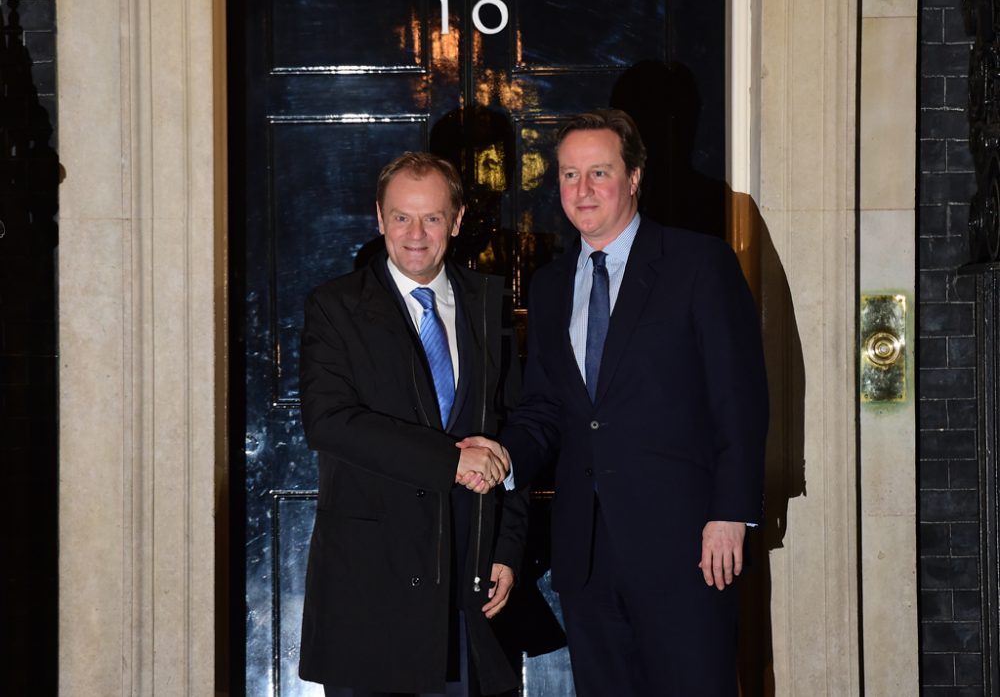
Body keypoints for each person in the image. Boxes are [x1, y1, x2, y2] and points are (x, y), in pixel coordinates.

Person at [466, 109, 768, 696]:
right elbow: (548, 409)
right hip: (587, 555)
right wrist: (503, 456)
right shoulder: (551, 286)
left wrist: (730, 513)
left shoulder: (698, 264)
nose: (582, 190)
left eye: (599, 173)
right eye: (569, 175)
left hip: (688, 547)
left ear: (634, 178)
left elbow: (740, 397)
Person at [298, 151, 527, 696]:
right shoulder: (335, 306)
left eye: (431, 217)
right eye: (401, 217)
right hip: (370, 594)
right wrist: (451, 461)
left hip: (468, 595)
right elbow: (328, 422)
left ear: (458, 219)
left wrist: (507, 549)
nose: (416, 234)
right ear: (379, 219)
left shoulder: (490, 303)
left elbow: (515, 429)